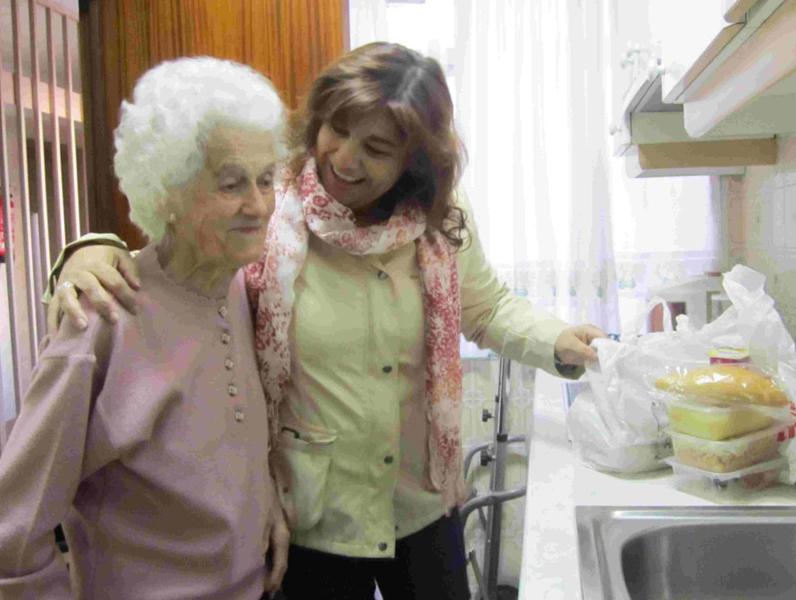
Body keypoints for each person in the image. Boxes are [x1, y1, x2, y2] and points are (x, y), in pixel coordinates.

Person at [45, 42, 605, 599]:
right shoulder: (269, 208)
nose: (343, 158)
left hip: (423, 500)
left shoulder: (440, 220)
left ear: (414, 160)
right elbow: (183, 256)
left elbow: (486, 308)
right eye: (337, 128)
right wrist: (88, 249)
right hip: (312, 513)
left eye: (377, 148)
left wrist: (560, 340)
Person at [0, 57, 291, 599]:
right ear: (167, 193)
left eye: (268, 179)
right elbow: (12, 536)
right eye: (232, 184)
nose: (258, 204)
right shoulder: (103, 317)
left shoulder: (238, 286)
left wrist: (265, 503)